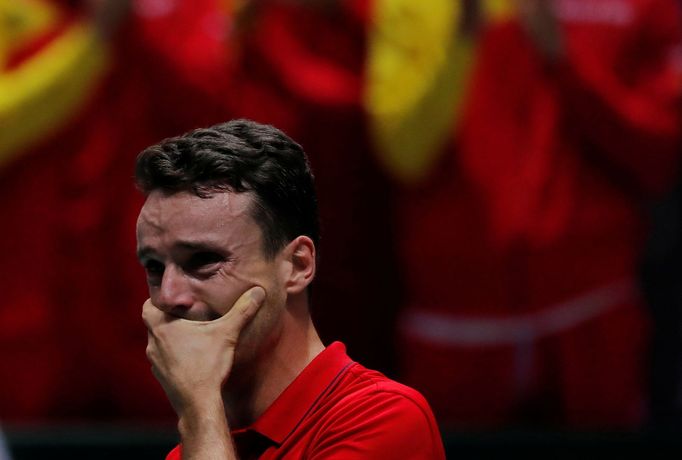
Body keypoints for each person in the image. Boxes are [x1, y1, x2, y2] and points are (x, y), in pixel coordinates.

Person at [135, 119, 446, 459]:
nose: (168, 296)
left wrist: (198, 405)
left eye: (204, 259)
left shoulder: (385, 420)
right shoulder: (192, 449)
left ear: (298, 265)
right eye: (154, 266)